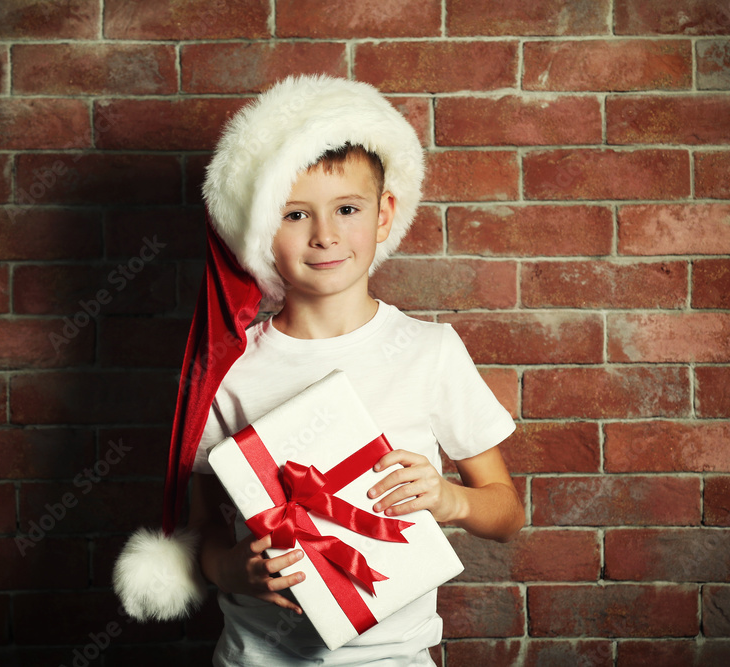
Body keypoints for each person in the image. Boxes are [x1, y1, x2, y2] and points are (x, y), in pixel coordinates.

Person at [114, 75, 524, 666]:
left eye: (347, 209)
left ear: (384, 215)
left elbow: (506, 513)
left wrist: (449, 499)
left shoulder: (429, 349)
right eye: (295, 214)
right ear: (260, 231)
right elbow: (201, 535)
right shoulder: (230, 367)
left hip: (395, 658)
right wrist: (238, 569)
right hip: (255, 657)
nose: (325, 234)